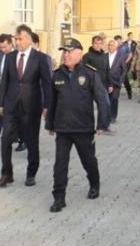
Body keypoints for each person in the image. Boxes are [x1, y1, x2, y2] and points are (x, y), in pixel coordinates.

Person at [45, 38, 109, 212]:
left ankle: (94, 184)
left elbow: (102, 100)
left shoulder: (89, 73)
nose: (65, 55)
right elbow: (52, 102)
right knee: (60, 164)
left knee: (88, 161)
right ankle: (59, 197)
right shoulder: (57, 74)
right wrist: (49, 123)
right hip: (63, 128)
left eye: (68, 52)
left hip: (83, 128)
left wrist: (102, 124)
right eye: (63, 52)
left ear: (79, 54)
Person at [0, 24, 51, 187]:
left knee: (31, 142)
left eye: (19, 39)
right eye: (15, 39)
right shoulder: (10, 57)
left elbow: (47, 84)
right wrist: (0, 103)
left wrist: (47, 105)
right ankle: (6, 173)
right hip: (11, 106)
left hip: (31, 107)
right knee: (5, 140)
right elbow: (4, 82)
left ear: (29, 39)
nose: (17, 42)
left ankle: (31, 173)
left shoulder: (40, 58)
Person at [107, 39, 126, 123]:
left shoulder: (120, 57)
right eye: (109, 45)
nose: (110, 47)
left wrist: (121, 81)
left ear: (116, 47)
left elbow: (124, 70)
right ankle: (106, 115)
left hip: (116, 82)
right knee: (106, 100)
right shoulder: (104, 56)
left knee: (114, 99)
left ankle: (113, 116)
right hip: (106, 82)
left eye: (112, 45)